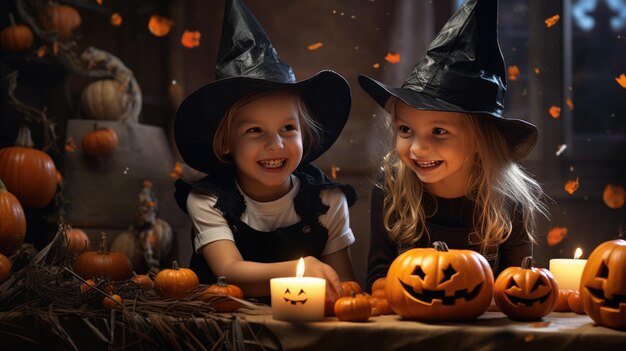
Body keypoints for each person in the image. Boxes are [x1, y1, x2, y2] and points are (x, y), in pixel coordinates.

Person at [173, 0, 356, 301]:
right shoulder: (208, 199)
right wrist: (301, 267)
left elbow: (346, 288)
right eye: (255, 131)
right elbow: (228, 273)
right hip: (222, 330)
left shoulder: (328, 200)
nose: (276, 145)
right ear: (225, 143)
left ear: (305, 134)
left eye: (288, 128)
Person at [360, 0, 547, 291]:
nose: (418, 149)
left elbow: (518, 286)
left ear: (479, 140)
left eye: (438, 132)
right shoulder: (392, 187)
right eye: (405, 129)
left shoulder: (508, 198)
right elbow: (378, 279)